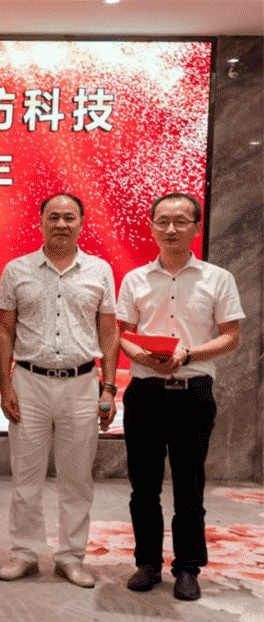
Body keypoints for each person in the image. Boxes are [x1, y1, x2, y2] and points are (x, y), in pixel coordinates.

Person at [118, 193, 244, 601]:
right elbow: (122, 334)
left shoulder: (217, 278)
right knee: (143, 487)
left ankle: (188, 568)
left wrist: (188, 355)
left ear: (196, 227)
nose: (170, 229)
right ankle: (147, 563)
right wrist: (143, 358)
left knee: (189, 487)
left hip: (193, 393)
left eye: (180, 221)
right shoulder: (135, 279)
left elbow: (231, 337)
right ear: (152, 226)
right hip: (145, 392)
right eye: (162, 221)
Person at [0, 193, 119, 588]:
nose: (61, 224)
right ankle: (25, 553)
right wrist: (4, 384)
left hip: (82, 384)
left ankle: (71, 557)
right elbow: (5, 330)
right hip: (28, 382)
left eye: (69, 217)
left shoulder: (99, 270)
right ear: (41, 221)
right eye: (54, 217)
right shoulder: (17, 270)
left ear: (81, 222)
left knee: (77, 478)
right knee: (25, 477)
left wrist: (109, 388)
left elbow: (109, 331)